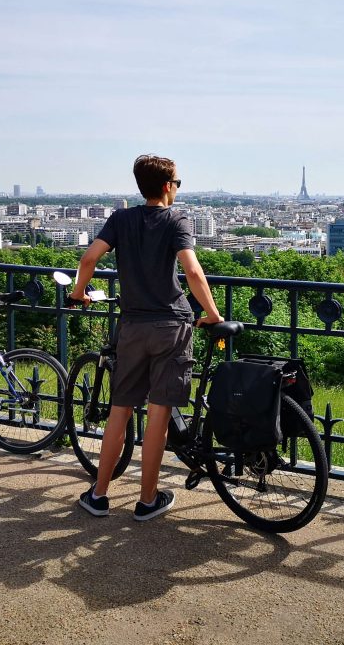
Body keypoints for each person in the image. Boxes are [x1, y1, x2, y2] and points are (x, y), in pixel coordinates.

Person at [72, 154, 223, 521]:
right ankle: (147, 500)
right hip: (171, 326)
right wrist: (213, 313)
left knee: (119, 411)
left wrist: (79, 293)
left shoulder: (121, 219)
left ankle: (99, 494)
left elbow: (90, 258)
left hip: (133, 327)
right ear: (168, 186)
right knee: (158, 413)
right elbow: (191, 270)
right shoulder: (176, 220)